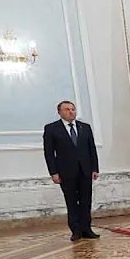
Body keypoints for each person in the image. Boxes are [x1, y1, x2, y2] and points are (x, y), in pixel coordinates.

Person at [42, 100, 100, 241]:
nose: (71, 112)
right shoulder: (52, 129)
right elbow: (49, 153)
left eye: (72, 109)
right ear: (59, 112)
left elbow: (92, 149)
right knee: (71, 201)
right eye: (67, 109)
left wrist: (94, 168)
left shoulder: (85, 127)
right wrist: (53, 172)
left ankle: (86, 229)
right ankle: (76, 230)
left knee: (86, 201)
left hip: (85, 171)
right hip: (66, 172)